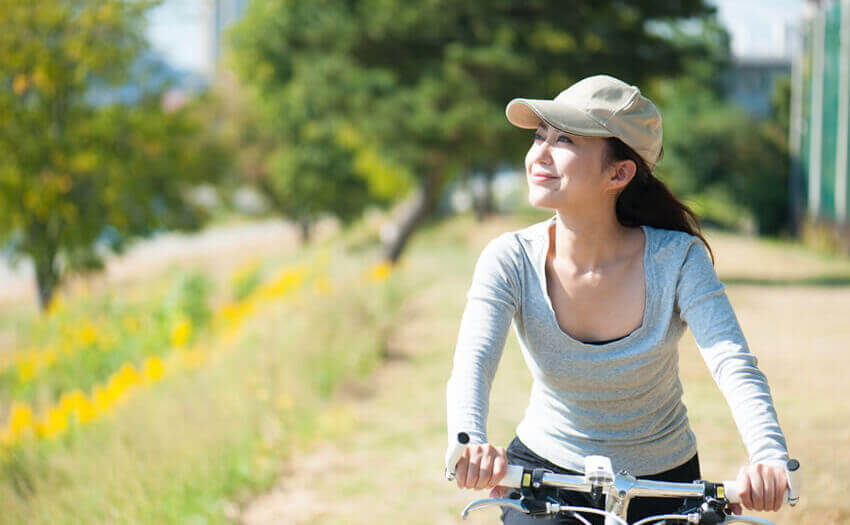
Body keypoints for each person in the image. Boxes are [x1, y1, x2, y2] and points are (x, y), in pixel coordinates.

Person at [445, 74, 790, 524]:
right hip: (546, 477)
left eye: (564, 139)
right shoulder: (509, 258)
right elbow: (474, 361)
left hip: (664, 483)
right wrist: (468, 440)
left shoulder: (677, 260)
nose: (539, 155)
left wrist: (768, 457)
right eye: (539, 136)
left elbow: (733, 365)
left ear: (619, 172)